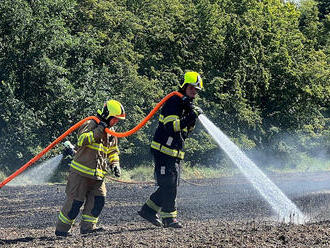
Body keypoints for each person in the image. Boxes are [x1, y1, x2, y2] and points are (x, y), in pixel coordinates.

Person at [138, 71, 204, 228]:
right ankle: (169, 218)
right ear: (184, 86)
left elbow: (185, 133)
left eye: (196, 89)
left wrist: (191, 116)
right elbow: (171, 127)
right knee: (169, 184)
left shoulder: (187, 105)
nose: (194, 91)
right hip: (163, 151)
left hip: (173, 153)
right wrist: (191, 116)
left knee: (171, 184)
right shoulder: (174, 101)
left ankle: (148, 210)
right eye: (191, 88)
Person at [55, 100, 125, 237]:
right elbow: (81, 140)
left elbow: (112, 151)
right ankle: (62, 230)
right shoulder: (90, 123)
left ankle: (88, 228)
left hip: (98, 176)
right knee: (75, 203)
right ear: (107, 115)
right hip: (80, 173)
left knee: (98, 200)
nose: (116, 122)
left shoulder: (111, 132)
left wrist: (115, 164)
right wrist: (99, 129)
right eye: (115, 119)